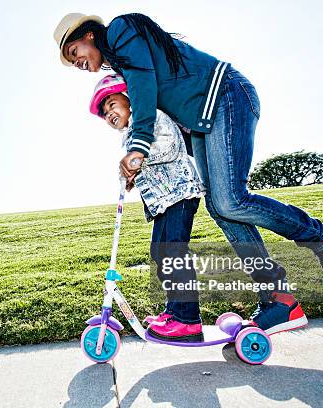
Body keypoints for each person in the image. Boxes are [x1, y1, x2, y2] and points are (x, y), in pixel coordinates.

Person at [54, 13, 323, 334]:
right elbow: (166, 107)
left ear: (89, 35)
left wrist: (139, 147)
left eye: (75, 52)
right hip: (203, 121)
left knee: (230, 200)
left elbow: (144, 85)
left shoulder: (120, 31)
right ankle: (279, 299)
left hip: (225, 95)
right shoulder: (120, 60)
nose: (77, 63)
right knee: (222, 207)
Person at [90, 73, 208, 342]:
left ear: (130, 99)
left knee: (174, 253)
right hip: (164, 203)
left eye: (112, 104)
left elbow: (169, 146)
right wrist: (132, 177)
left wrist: (137, 160)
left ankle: (188, 320)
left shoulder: (150, 117)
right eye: (105, 113)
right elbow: (142, 165)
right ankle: (173, 311)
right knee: (160, 254)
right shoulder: (129, 136)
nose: (109, 114)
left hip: (180, 194)